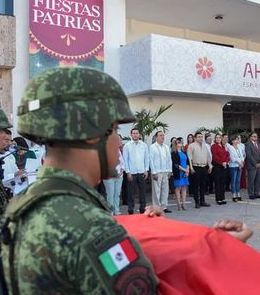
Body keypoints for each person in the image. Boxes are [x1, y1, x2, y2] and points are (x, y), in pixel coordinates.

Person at [1, 67, 161, 293]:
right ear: (93, 134)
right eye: (115, 129)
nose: (120, 141)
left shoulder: (21, 207)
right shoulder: (92, 229)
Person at [123, 128, 149, 214]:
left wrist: (146, 170)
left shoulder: (144, 145)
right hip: (132, 173)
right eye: (133, 133)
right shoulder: (127, 146)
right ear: (131, 135)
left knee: (142, 192)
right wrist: (128, 172)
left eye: (137, 133)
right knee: (130, 192)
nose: (135, 135)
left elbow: (146, 158)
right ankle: (130, 209)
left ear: (139, 135)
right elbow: (125, 160)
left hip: (142, 172)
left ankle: (143, 208)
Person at [150, 130, 173, 213]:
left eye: (163, 135)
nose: (162, 137)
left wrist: (170, 171)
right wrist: (153, 172)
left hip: (165, 171)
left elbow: (169, 160)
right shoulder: (152, 147)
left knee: (165, 189)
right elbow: (151, 160)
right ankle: (156, 207)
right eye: (160, 135)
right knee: (156, 190)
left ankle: (164, 206)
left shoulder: (166, 147)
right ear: (156, 137)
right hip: (157, 172)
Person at [187, 132, 212, 208]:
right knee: (196, 185)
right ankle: (197, 202)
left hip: (204, 167)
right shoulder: (191, 146)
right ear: (195, 138)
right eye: (199, 137)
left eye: (201, 137)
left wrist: (210, 165)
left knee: (203, 185)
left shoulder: (205, 146)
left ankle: (202, 201)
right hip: (196, 167)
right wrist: (191, 167)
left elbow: (208, 156)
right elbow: (189, 157)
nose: (201, 138)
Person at [103, 148, 125, 215]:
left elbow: (122, 163)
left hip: (119, 176)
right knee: (110, 195)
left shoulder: (117, 150)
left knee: (117, 194)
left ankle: (117, 210)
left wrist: (121, 172)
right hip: (109, 176)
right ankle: (110, 212)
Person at [211, 134, 230, 205]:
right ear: (215, 139)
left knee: (223, 183)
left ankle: (222, 197)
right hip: (217, 166)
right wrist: (222, 162)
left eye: (219, 137)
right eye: (217, 137)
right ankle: (218, 199)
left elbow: (227, 155)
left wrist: (226, 162)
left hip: (224, 166)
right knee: (218, 183)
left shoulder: (223, 146)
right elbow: (215, 157)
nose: (218, 139)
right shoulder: (214, 146)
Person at [171, 139, 189, 210]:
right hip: (178, 172)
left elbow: (187, 161)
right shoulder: (174, 153)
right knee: (178, 188)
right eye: (178, 142)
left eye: (181, 142)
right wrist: (184, 170)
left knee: (184, 188)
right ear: (175, 144)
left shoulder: (184, 152)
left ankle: (184, 204)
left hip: (185, 171)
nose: (180, 143)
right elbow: (175, 164)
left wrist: (187, 169)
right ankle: (178, 204)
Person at [245, 132, 260, 199]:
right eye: (253, 136)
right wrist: (255, 164)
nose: (255, 137)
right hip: (252, 166)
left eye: (256, 136)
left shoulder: (259, 144)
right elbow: (249, 155)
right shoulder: (247, 144)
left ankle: (256, 193)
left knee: (258, 180)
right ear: (250, 137)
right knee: (251, 180)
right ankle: (251, 194)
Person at [227, 135, 244, 201]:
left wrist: (241, 162)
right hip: (233, 166)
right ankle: (234, 195)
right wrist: (239, 162)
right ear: (232, 141)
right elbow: (232, 157)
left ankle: (238, 194)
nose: (237, 141)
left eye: (237, 139)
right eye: (235, 140)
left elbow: (242, 156)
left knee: (238, 181)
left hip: (239, 166)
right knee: (233, 181)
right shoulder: (230, 148)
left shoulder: (239, 147)